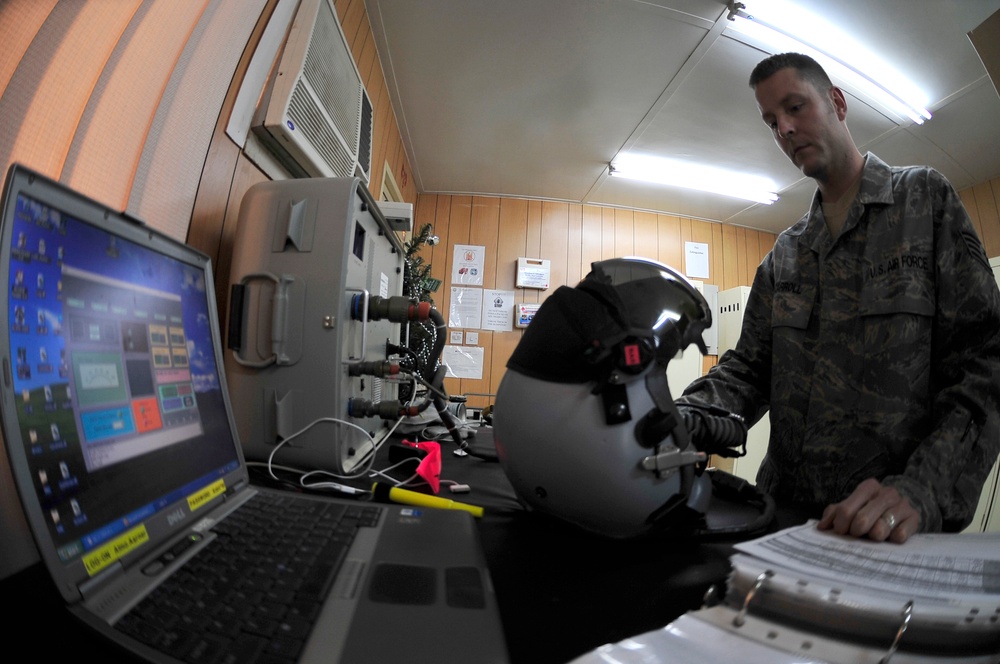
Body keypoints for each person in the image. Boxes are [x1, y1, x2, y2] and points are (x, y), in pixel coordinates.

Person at [676, 52, 1000, 544]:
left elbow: (986, 360)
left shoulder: (923, 201)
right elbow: (747, 372)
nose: (784, 128)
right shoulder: (784, 254)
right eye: (771, 121)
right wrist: (677, 418)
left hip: (889, 525)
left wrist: (924, 488)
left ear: (837, 103)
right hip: (782, 518)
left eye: (795, 107)